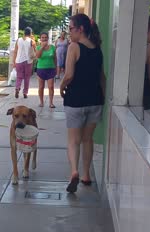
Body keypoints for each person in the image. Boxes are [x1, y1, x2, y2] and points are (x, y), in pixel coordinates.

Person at [60, 14, 105, 193]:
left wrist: (62, 86)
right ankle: (86, 175)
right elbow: (102, 77)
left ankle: (74, 171)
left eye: (71, 29)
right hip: (95, 101)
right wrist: (103, 97)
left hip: (75, 101)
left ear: (80, 29)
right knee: (88, 140)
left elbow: (69, 75)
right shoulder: (97, 48)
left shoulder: (74, 47)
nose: (69, 32)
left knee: (73, 140)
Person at [13, 27, 36, 99]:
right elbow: (36, 50)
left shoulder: (18, 40)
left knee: (19, 76)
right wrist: (34, 40)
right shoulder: (31, 41)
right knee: (27, 78)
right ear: (31, 33)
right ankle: (25, 93)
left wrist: (14, 61)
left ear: (24, 33)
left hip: (18, 61)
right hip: (28, 61)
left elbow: (15, 51)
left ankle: (17, 87)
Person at [35, 32, 57, 108]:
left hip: (51, 69)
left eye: (45, 37)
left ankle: (51, 102)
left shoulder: (52, 47)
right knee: (41, 87)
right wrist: (42, 47)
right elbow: (38, 56)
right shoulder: (38, 47)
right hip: (41, 69)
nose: (44, 39)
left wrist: (56, 68)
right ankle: (41, 102)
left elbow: (55, 58)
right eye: (42, 37)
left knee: (51, 86)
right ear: (40, 39)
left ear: (48, 38)